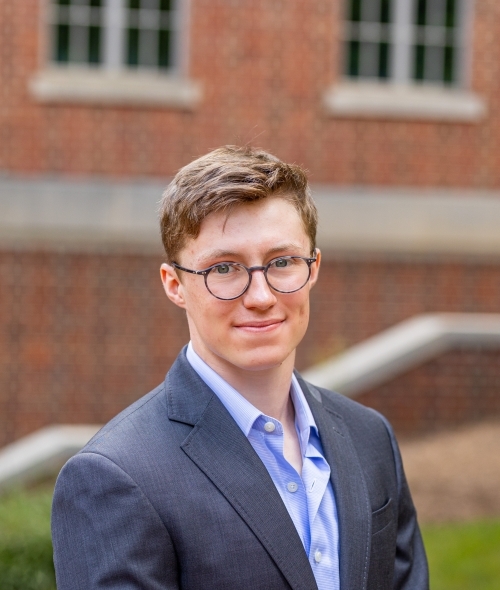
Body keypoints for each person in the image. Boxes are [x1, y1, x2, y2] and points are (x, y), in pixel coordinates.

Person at [52, 146, 428, 590]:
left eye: (283, 262)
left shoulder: (371, 437)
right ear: (175, 285)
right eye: (225, 268)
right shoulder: (113, 477)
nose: (261, 296)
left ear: (314, 268)